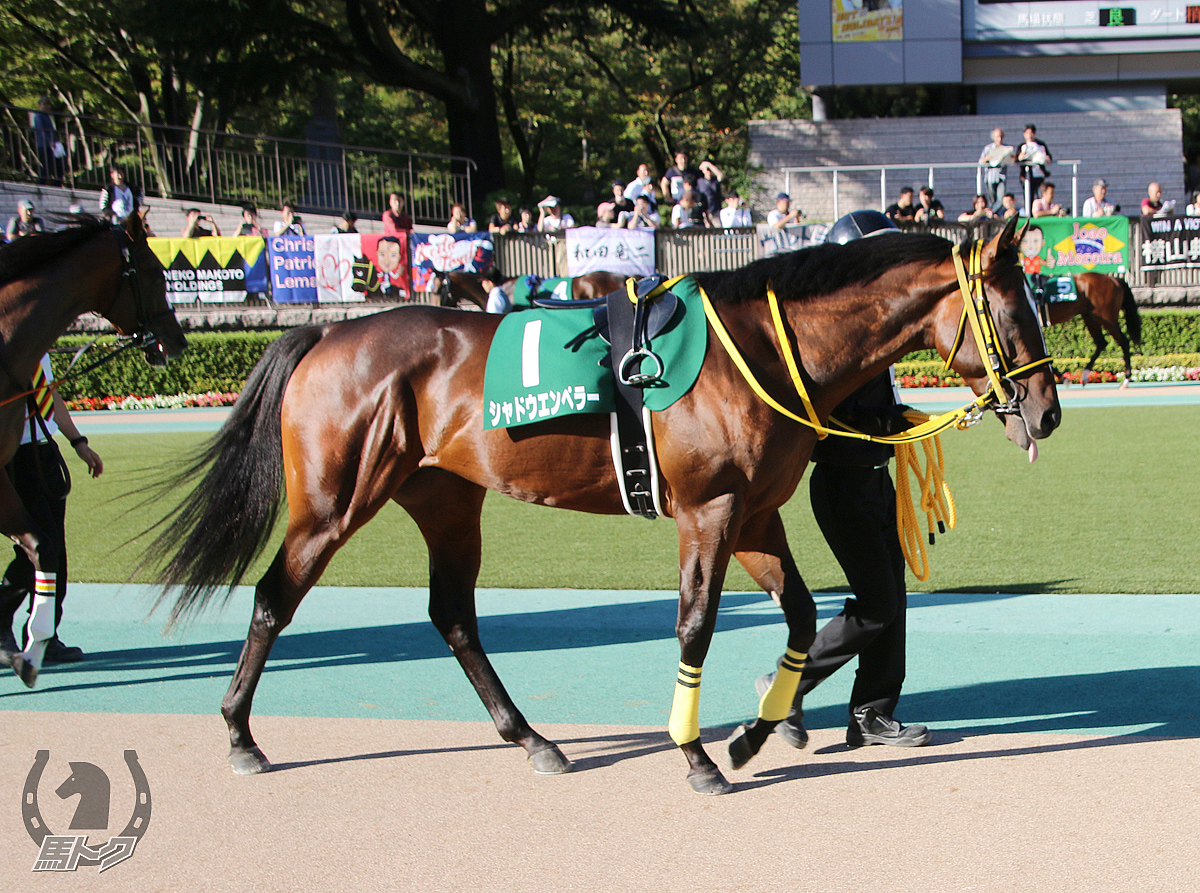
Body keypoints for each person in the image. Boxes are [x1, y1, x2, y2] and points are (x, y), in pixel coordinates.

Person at [754, 209, 930, 752]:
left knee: (892, 600)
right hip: (843, 484)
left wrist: (896, 418)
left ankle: (871, 715)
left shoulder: (873, 322)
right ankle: (783, 686)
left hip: (873, 480)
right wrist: (885, 422)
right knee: (876, 603)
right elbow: (827, 416)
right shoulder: (829, 337)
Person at [1, 354, 103, 678]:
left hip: (44, 450)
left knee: (53, 547)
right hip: (14, 458)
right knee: (43, 547)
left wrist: (78, 442)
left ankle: (47, 635)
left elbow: (49, 393)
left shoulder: (38, 343)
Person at [1017, 124, 1052, 211]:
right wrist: (1021, 157)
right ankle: (1029, 214)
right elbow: (1017, 159)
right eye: (1028, 133)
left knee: (1041, 196)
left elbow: (1048, 157)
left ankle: (1042, 213)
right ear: (1024, 134)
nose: (1030, 135)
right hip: (1027, 175)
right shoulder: (1022, 146)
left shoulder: (1040, 145)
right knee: (1029, 196)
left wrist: (1045, 159)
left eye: (1032, 133)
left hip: (1039, 174)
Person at [978, 128, 1014, 209]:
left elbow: (1011, 160)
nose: (999, 139)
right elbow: (981, 161)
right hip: (990, 177)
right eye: (997, 137)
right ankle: (991, 216)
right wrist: (989, 157)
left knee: (1001, 200)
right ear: (994, 137)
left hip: (1001, 176)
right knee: (992, 200)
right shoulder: (988, 148)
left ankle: (991, 214)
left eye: (1001, 136)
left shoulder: (1006, 148)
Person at [31, 97, 63, 187]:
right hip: (44, 145)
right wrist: (50, 141)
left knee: (56, 166)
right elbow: (41, 130)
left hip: (51, 145)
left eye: (48, 104)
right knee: (46, 166)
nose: (47, 106)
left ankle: (57, 184)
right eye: (44, 104)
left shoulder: (47, 116)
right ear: (40, 105)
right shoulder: (39, 116)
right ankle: (41, 184)